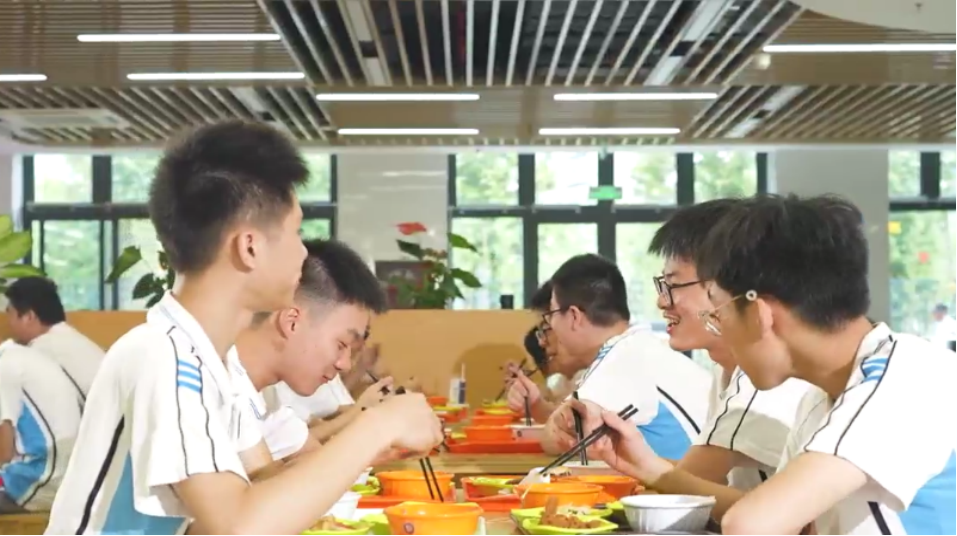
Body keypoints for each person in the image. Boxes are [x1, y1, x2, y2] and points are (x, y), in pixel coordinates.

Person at [45, 121, 443, 535]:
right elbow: (239, 525)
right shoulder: (165, 356)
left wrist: (363, 451)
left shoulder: (219, 367)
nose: (303, 252)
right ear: (249, 247)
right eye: (295, 232)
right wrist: (377, 426)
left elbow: (263, 489)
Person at [559, 195, 955, 535]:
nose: (719, 330)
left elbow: (750, 523)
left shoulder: (909, 377)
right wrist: (648, 467)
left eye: (718, 313)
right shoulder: (820, 399)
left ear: (760, 313)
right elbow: (790, 521)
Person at [645, 199, 811, 490]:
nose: (661, 301)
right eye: (663, 285)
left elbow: (682, 485)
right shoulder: (728, 370)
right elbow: (703, 479)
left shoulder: (763, 384)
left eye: (673, 285)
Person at [230, 238, 392, 458]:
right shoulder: (218, 390)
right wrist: (381, 425)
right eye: (341, 344)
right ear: (292, 322)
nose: (345, 364)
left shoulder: (264, 399)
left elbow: (300, 465)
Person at [541, 254, 711, 460]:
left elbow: (555, 439)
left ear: (574, 316)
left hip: (695, 480)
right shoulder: (638, 347)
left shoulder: (621, 360)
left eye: (551, 314)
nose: (551, 326)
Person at [0, 339, 81, 513]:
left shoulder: (4, 369)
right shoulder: (22, 356)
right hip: (67, 477)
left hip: (40, 479)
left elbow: (4, 452)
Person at [3, 277, 104, 400]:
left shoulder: (42, 352)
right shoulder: (69, 338)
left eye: (10, 313)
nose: (9, 323)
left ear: (29, 316)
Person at [506, 282, 582, 423]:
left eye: (545, 327)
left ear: (575, 318)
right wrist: (533, 399)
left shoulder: (607, 373)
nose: (542, 342)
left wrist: (536, 402)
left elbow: (572, 426)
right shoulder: (572, 379)